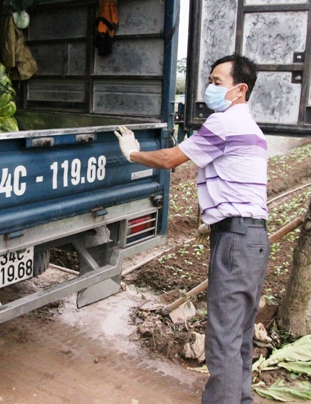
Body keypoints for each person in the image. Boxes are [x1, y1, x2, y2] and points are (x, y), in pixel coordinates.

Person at [115, 54, 269, 404]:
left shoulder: (226, 123)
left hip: (236, 239)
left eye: (217, 82)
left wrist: (133, 154)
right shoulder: (253, 129)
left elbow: (170, 160)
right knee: (241, 335)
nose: (209, 89)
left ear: (240, 89)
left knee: (223, 339)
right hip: (253, 238)